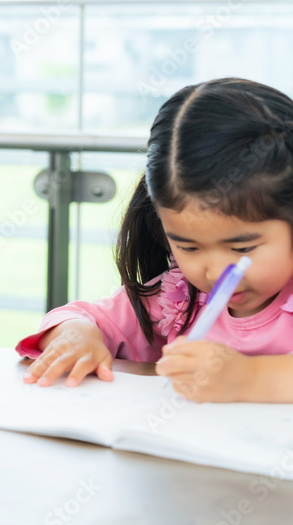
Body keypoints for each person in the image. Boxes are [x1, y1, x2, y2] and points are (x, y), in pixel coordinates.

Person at [17, 77, 293, 403]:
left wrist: (250, 378)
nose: (216, 272)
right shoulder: (178, 298)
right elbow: (81, 316)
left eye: (242, 248)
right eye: (188, 247)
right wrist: (77, 335)